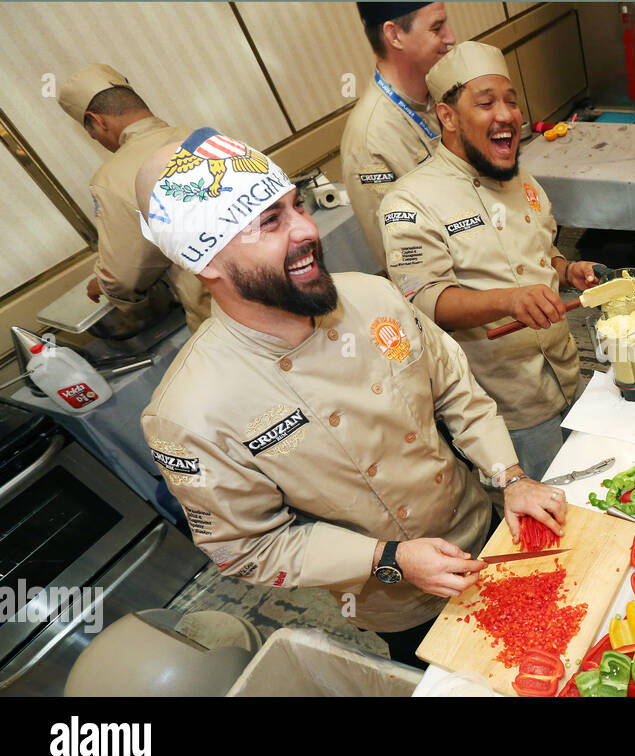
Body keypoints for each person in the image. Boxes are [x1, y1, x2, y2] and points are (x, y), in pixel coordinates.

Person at [137, 128, 567, 667]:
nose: (308, 229)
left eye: (297, 206)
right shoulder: (190, 413)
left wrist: (510, 478)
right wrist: (389, 559)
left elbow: (456, 389)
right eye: (271, 221)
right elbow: (246, 548)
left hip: (488, 526)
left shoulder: (372, 294)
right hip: (398, 598)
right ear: (207, 262)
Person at [379, 42, 600, 479]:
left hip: (568, 373)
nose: (506, 115)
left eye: (511, 102)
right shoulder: (410, 200)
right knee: (543, 516)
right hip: (505, 406)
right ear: (448, 117)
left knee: (591, 485)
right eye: (486, 103)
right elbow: (424, 302)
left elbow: (544, 252)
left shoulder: (517, 174)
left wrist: (567, 271)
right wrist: (509, 301)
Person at [57, 64, 210, 332]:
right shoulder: (203, 135)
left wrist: (103, 283)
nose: (98, 140)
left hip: (226, 312)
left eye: (93, 134)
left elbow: (125, 276)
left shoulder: (112, 179)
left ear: (98, 121)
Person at [341, 2, 456, 266]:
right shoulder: (370, 142)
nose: (451, 37)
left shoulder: (444, 91)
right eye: (437, 28)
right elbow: (407, 266)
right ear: (394, 36)